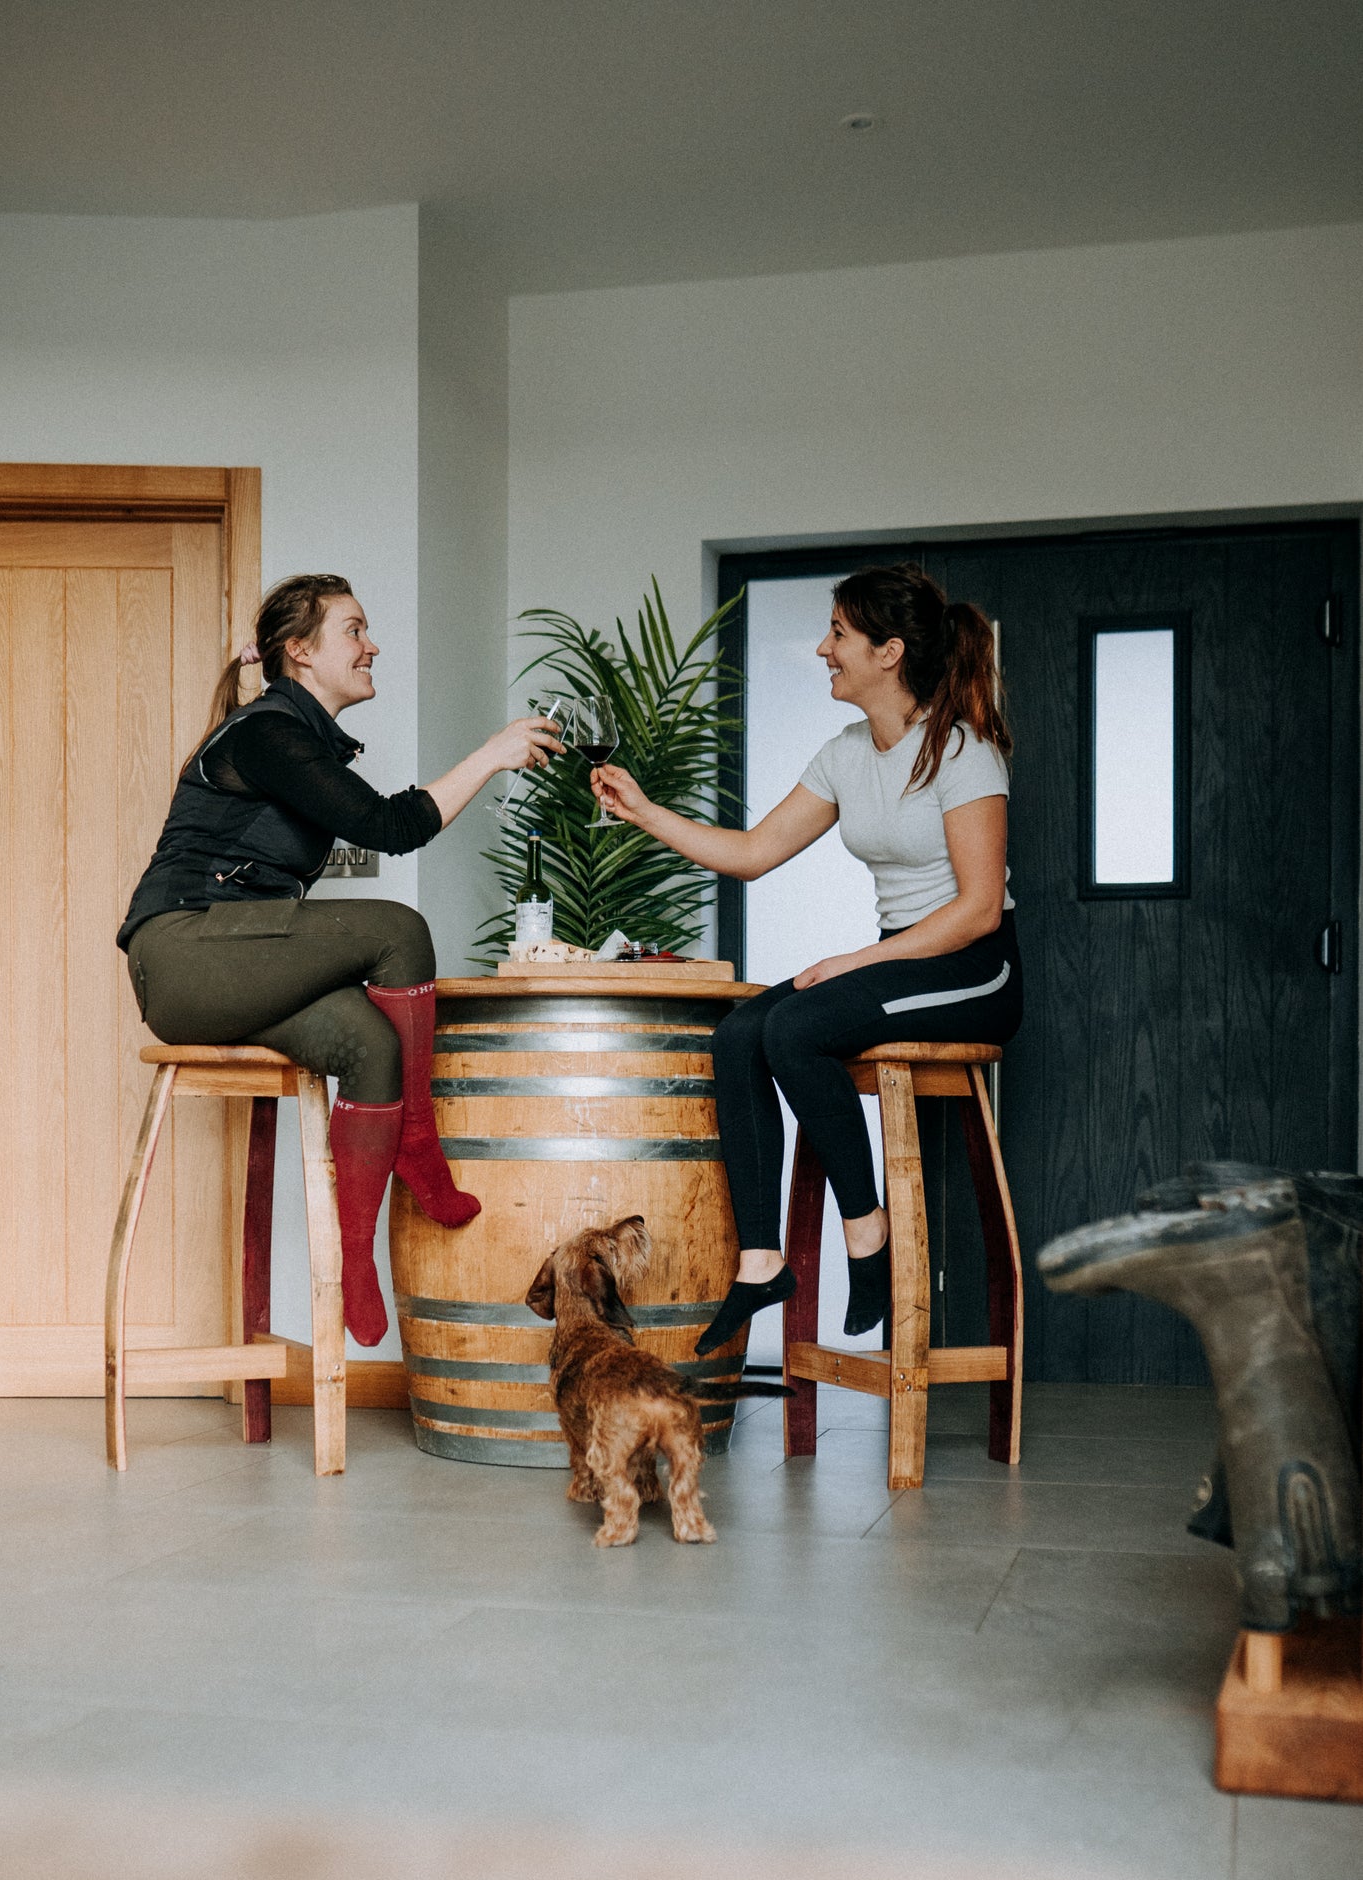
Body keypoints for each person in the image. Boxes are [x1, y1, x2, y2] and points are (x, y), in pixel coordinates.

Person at [117, 572, 560, 1348]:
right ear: (299, 651)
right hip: (183, 954)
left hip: (238, 957)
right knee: (397, 928)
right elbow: (390, 826)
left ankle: (356, 1262)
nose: (371, 644)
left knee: (370, 1044)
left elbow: (359, 830)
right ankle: (418, 1146)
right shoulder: (265, 733)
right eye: (353, 630)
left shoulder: (294, 737)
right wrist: (491, 754)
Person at [590, 562, 1022, 1356]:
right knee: (737, 1035)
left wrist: (853, 961)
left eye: (838, 634)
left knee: (794, 1029)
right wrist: (643, 811)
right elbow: (753, 853)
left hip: (974, 970)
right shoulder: (845, 752)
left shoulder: (960, 752)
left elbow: (977, 910)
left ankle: (867, 1232)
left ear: (888, 651)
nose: (823, 649)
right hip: (899, 962)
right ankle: (762, 1263)